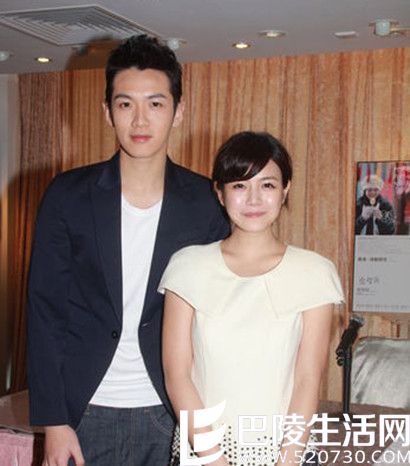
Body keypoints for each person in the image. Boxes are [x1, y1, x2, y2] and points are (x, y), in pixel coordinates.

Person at [26, 35, 229, 466]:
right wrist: (54, 421)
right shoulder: (67, 195)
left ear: (178, 112)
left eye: (155, 103)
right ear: (107, 112)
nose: (140, 120)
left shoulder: (206, 202)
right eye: (125, 104)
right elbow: (45, 312)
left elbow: (219, 315)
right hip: (83, 413)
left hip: (171, 410)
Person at [160, 131, 344, 466]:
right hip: (202, 455)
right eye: (240, 186)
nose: (254, 199)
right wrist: (215, 461)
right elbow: (178, 375)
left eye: (267, 185)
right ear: (220, 192)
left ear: (285, 189)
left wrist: (287, 462)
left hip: (287, 455)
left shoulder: (315, 272)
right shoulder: (187, 267)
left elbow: (308, 379)